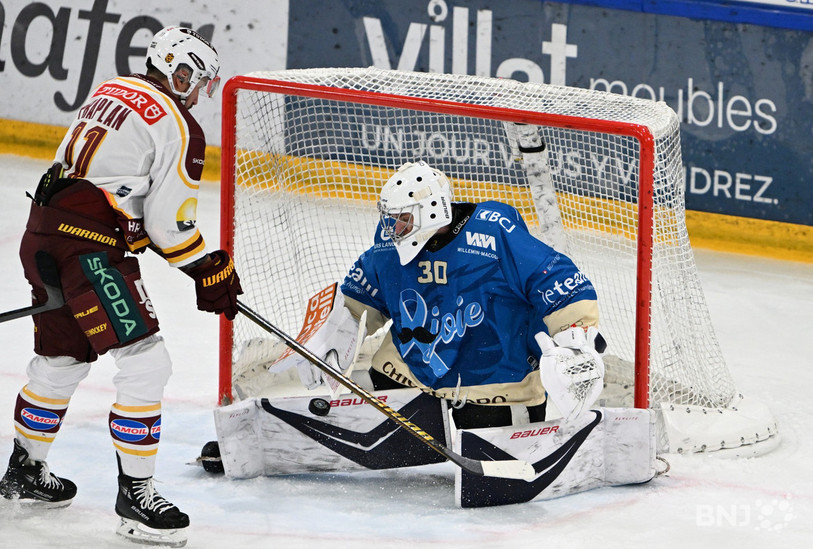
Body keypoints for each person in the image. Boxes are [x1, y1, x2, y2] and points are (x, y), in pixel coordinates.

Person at [0, 26, 241, 547]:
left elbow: (109, 185)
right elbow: (168, 229)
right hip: (88, 251)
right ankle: (136, 496)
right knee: (146, 361)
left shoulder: (112, 89)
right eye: (198, 81)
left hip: (42, 232)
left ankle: (23, 472)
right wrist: (209, 268)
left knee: (62, 359)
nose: (200, 93)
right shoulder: (178, 125)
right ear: (180, 72)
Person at [335, 160, 605, 429]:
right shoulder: (390, 242)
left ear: (431, 211)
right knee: (389, 454)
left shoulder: (494, 233)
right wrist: (337, 329)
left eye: (403, 218)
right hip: (406, 370)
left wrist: (574, 338)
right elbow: (365, 292)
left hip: (496, 385)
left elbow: (555, 278)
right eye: (390, 217)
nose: (393, 227)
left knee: (499, 470)